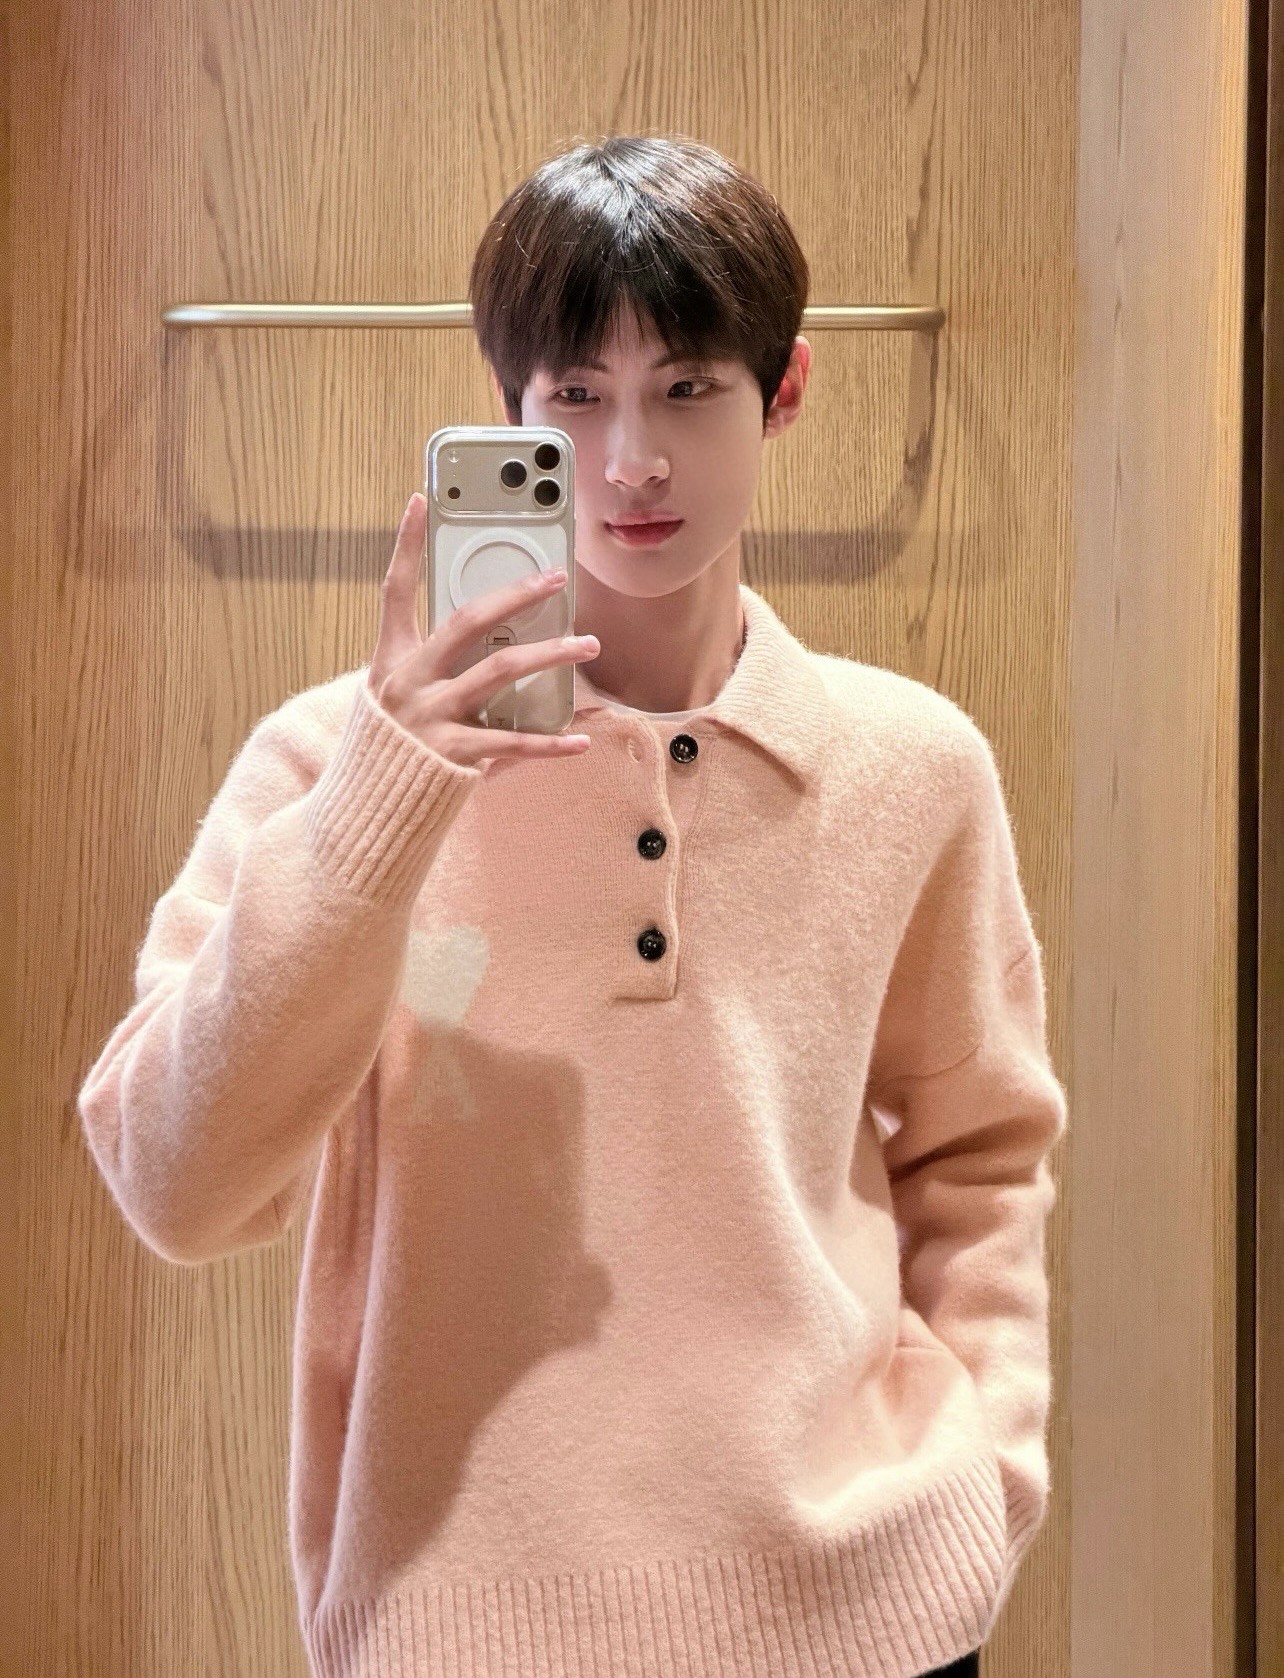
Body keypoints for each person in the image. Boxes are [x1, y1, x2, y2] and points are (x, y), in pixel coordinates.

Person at [77, 134, 1066, 1678]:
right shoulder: (330, 765)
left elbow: (981, 1153)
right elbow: (175, 1184)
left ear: (784, 390)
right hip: (462, 1629)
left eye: (687, 387)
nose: (632, 460)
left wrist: (982, 1477)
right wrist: (382, 799)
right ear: (508, 414)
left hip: (866, 1613)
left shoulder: (910, 765)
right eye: (578, 397)